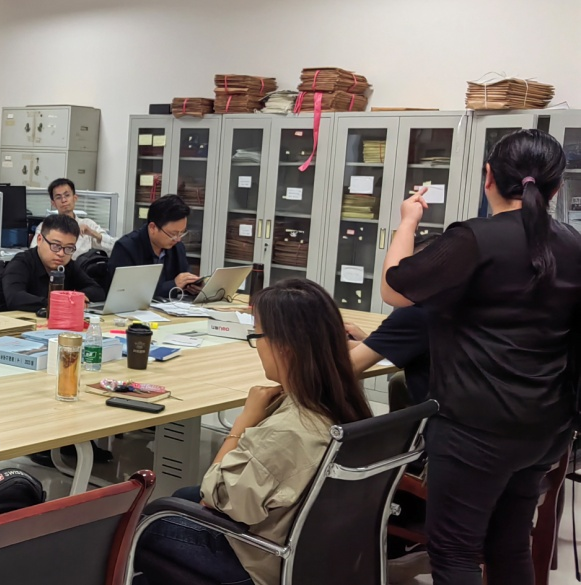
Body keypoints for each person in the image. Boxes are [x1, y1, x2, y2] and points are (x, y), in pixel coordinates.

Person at [381, 129, 581, 585]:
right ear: (555, 188)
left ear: (488, 176)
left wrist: (408, 221)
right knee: (509, 544)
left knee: (454, 553)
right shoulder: (573, 243)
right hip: (546, 426)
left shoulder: (474, 238)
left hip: (475, 429)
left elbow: (396, 289)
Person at [137, 278, 373, 585]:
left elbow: (213, 496)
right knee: (182, 496)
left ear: (284, 346)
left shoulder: (288, 430)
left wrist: (243, 422)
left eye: (257, 335)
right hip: (324, 554)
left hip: (265, 560)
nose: (257, 345)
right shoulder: (342, 400)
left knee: (144, 523)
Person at [345, 233, 440, 411]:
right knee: (398, 382)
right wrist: (370, 342)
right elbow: (411, 348)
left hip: (441, 418)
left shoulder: (415, 315)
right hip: (472, 409)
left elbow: (344, 369)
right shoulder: (456, 304)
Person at [0, 213, 105, 312]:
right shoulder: (21, 262)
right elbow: (15, 298)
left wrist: (75, 297)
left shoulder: (67, 265)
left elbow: (97, 291)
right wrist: (58, 302)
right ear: (39, 240)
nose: (61, 253)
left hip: (39, 325)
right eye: (56, 245)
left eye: (69, 248)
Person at [108, 194, 198, 300]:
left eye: (182, 233)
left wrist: (193, 286)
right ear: (152, 228)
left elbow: (184, 278)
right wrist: (173, 285)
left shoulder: (177, 247)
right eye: (173, 234)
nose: (178, 239)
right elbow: (124, 293)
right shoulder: (126, 248)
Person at [29, 178, 115, 259]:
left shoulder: (88, 224)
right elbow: (34, 253)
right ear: (53, 203)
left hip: (81, 268)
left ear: (75, 198)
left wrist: (92, 233)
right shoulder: (46, 226)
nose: (64, 200)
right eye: (58, 197)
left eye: (67, 195)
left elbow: (114, 248)